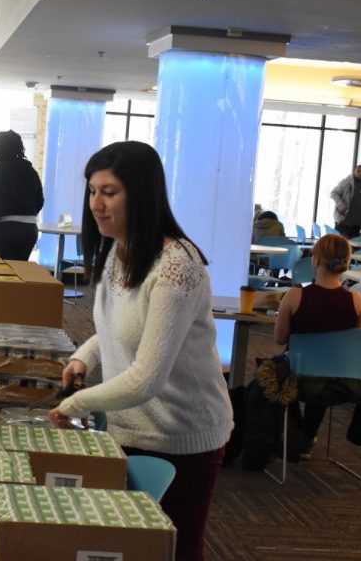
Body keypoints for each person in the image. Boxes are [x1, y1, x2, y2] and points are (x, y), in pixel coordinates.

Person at [47, 141, 232, 561]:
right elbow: (116, 330)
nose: (96, 203)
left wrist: (76, 402)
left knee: (171, 548)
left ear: (142, 194)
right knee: (123, 544)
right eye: (92, 191)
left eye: (109, 192)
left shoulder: (176, 267)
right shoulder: (118, 249)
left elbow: (147, 377)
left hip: (181, 434)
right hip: (127, 426)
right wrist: (85, 357)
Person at [273, 234, 361, 457]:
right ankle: (306, 436)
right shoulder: (357, 301)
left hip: (299, 378)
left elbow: (279, 338)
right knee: (323, 368)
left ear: (315, 259)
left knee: (281, 370)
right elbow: (350, 343)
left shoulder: (295, 296)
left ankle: (296, 433)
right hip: (339, 380)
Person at [0, 130, 44, 260]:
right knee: (18, 275)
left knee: (1, 274)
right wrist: (25, 213)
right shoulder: (30, 170)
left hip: (5, 231)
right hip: (30, 230)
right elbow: (40, 200)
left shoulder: (0, 169)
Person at [330, 164, 361, 238]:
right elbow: (333, 193)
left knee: (353, 246)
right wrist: (342, 206)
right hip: (343, 222)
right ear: (354, 172)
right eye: (358, 171)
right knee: (340, 245)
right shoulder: (347, 182)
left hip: (357, 224)